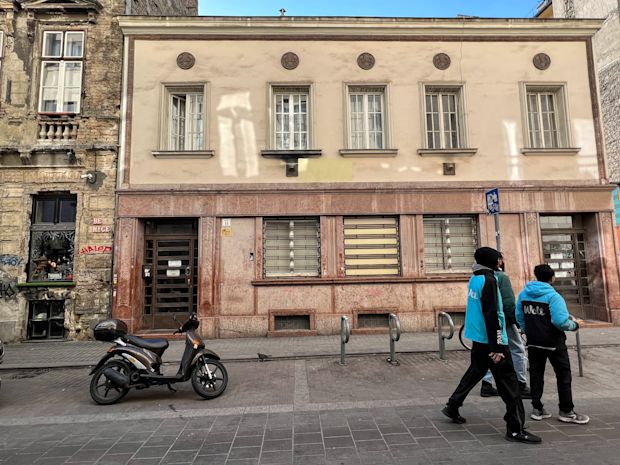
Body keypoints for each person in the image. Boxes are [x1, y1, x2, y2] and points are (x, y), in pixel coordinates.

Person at [442, 247, 541, 444]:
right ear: (492, 261)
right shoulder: (489, 280)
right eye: (498, 258)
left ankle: (453, 405)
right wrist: (497, 346)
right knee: (510, 384)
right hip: (492, 341)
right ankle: (515, 429)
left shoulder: (475, 278)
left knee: (476, 371)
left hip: (479, 338)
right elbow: (492, 313)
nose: (500, 261)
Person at [515, 264, 589, 424]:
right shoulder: (553, 296)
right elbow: (560, 321)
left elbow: (519, 316)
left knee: (536, 375)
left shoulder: (523, 294)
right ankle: (566, 410)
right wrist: (575, 325)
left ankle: (537, 408)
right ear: (552, 278)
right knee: (563, 375)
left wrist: (527, 331)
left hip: (534, 342)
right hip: (554, 342)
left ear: (536, 276)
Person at [481, 253, 531, 399]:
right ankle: (521, 383)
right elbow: (508, 302)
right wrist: (517, 322)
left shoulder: (478, 277)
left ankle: (487, 383)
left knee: (491, 350)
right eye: (500, 259)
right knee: (517, 349)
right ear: (497, 261)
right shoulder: (502, 277)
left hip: (486, 321)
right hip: (503, 321)